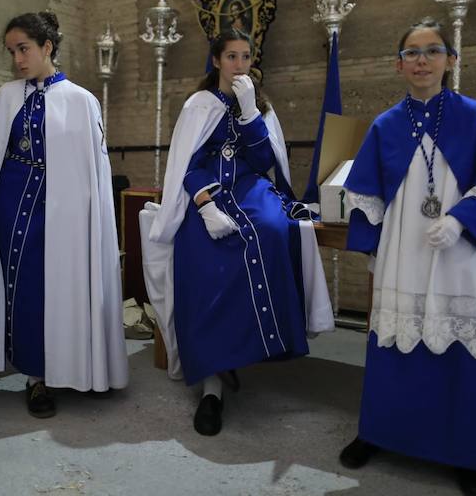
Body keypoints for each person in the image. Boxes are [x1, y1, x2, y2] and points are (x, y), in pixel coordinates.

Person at [339, 18, 476, 496]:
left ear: (451, 60)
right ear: (398, 64)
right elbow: (365, 196)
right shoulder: (385, 125)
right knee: (396, 334)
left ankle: (468, 454)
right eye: (411, 53)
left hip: (461, 253)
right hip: (406, 248)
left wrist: (462, 218)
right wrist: (374, 248)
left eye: (432, 51)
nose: (421, 60)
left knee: (461, 339)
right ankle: (379, 432)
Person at [142, 28, 334, 436]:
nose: (239, 65)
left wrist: (249, 111)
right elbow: (185, 167)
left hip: (250, 190)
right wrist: (205, 205)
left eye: (246, 57)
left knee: (272, 229)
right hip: (206, 197)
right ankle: (212, 383)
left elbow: (265, 159)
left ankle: (261, 342)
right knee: (204, 253)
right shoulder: (199, 105)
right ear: (215, 61)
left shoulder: (260, 105)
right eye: (231, 57)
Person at [0, 12, 128, 418]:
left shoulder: (81, 99)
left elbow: (91, 172)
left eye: (24, 49)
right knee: (26, 293)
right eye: (12, 51)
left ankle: (79, 367)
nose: (18, 59)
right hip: (11, 207)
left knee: (67, 288)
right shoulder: (7, 96)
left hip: (63, 214)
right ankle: (36, 378)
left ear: (47, 47)